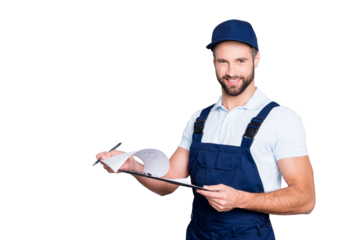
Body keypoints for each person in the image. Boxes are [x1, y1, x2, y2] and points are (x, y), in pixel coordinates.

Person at [95, 18, 316, 240]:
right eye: (223, 61)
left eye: (240, 61)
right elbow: (168, 184)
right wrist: (133, 166)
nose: (231, 72)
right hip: (197, 234)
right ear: (213, 61)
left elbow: (306, 200)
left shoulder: (282, 118)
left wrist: (240, 200)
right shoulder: (198, 118)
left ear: (256, 59)